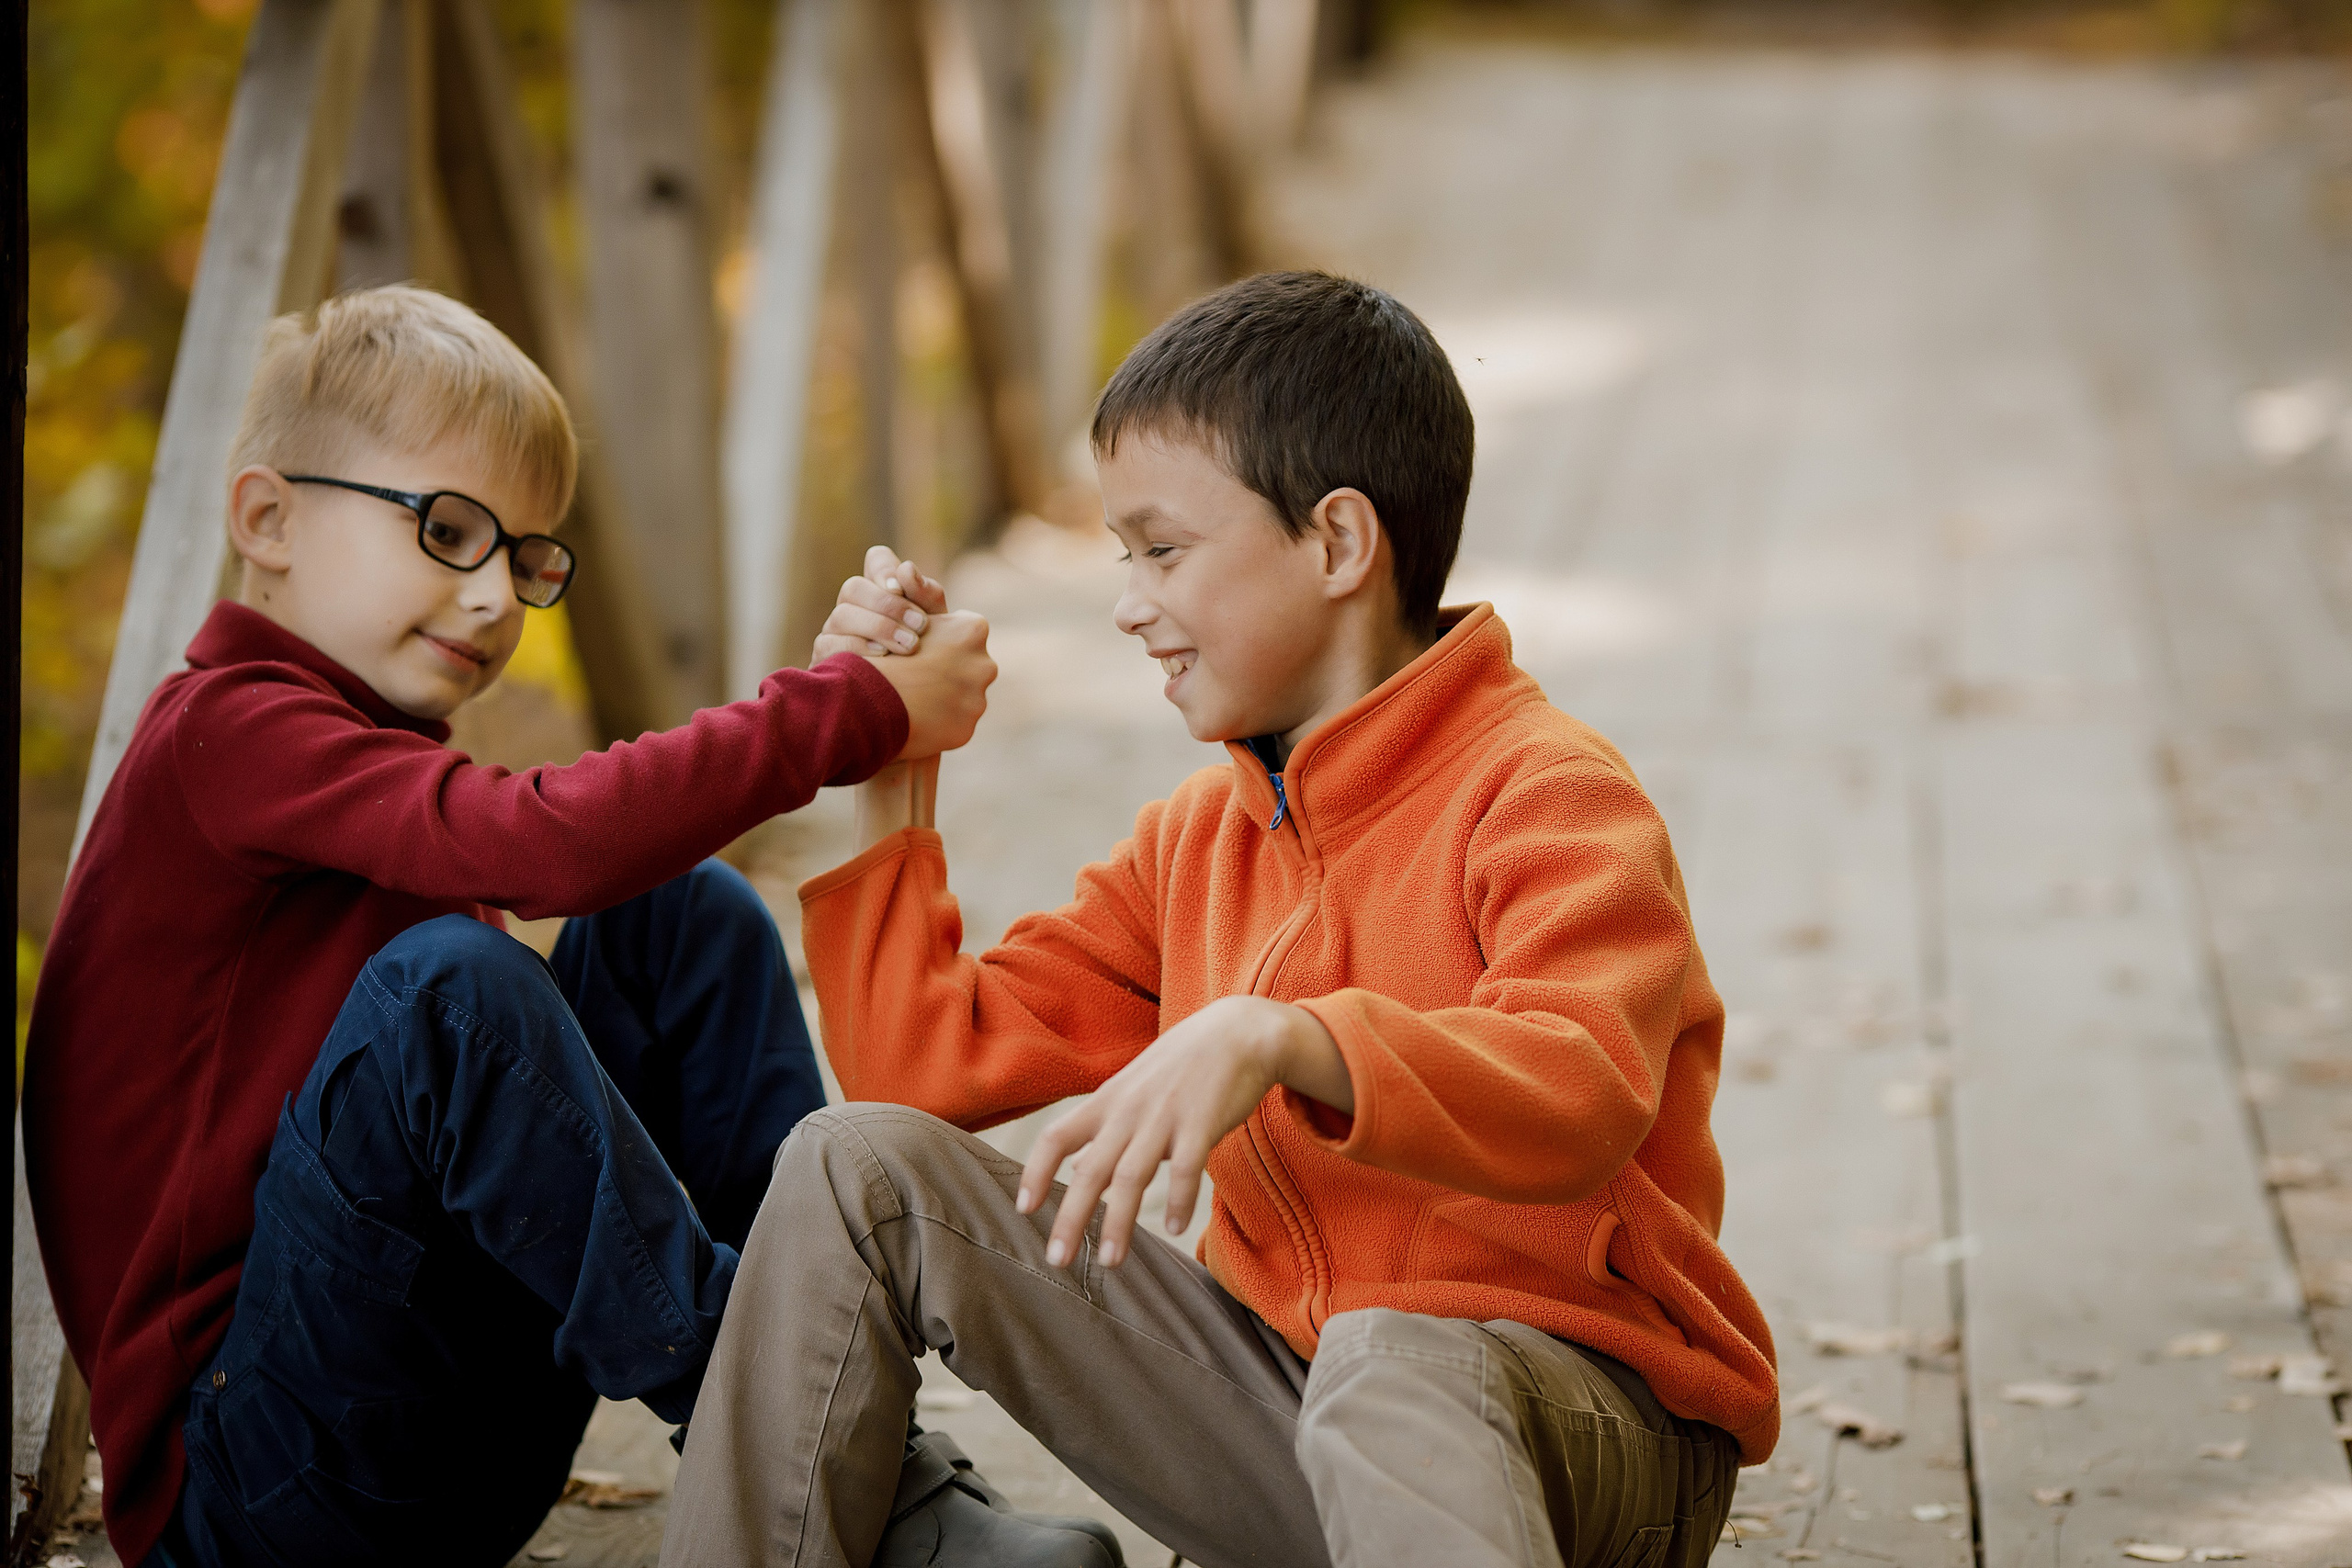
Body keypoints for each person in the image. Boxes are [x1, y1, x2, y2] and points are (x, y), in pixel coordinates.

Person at [662, 271, 1781, 1568]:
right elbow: (920, 1070)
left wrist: (1286, 1036)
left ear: (1339, 543)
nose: (1128, 601)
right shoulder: (1198, 840)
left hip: (1589, 1439)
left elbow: (1580, 1087)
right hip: (1295, 1418)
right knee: (853, 1166)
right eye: (1122, 556)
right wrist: (895, 765)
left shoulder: (1548, 793)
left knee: (1389, 1359)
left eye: (1163, 550)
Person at [18, 286, 1106, 1568]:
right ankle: (828, 1461)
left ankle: (846, 1448)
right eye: (447, 531)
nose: (495, 597)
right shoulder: (227, 731)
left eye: (525, 558)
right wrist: (844, 710)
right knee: (448, 994)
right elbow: (542, 846)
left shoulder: (366, 764)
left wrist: (855, 691)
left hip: (441, 1443)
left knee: (681, 917)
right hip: (251, 1490)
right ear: (268, 520)